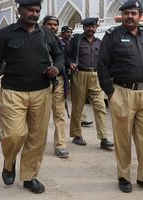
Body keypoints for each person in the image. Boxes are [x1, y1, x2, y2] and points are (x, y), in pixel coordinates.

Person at [0, 0, 64, 194]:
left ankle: (30, 176)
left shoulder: (46, 34)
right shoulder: (5, 34)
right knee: (14, 134)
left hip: (42, 92)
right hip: (12, 92)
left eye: (37, 11)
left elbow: (59, 55)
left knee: (37, 137)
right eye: (30, 10)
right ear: (20, 11)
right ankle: (9, 163)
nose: (34, 14)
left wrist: (58, 68)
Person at [97, 0, 143, 193]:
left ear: (139, 15)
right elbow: (101, 65)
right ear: (122, 15)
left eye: (133, 13)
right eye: (126, 13)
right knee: (123, 139)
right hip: (122, 93)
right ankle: (124, 176)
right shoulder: (113, 36)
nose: (129, 16)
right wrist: (110, 93)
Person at [66, 17, 113, 149]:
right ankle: (76, 135)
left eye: (93, 27)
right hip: (79, 74)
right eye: (88, 26)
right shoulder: (76, 40)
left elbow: (104, 60)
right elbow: (66, 55)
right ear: (83, 27)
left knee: (100, 106)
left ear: (96, 27)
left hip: (96, 76)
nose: (90, 29)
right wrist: (70, 63)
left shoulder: (99, 42)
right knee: (78, 106)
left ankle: (103, 138)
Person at [42, 15, 70, 158]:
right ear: (43, 25)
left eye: (55, 24)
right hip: (40, 84)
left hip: (58, 82)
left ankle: (60, 145)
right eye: (49, 24)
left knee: (59, 114)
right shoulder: (37, 39)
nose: (52, 27)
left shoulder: (62, 43)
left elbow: (65, 61)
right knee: (40, 117)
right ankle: (36, 144)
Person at [60, 26, 92, 127]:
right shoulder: (60, 43)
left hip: (74, 73)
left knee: (78, 98)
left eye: (71, 32)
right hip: (63, 73)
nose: (69, 34)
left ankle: (81, 119)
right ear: (62, 33)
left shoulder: (75, 42)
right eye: (67, 32)